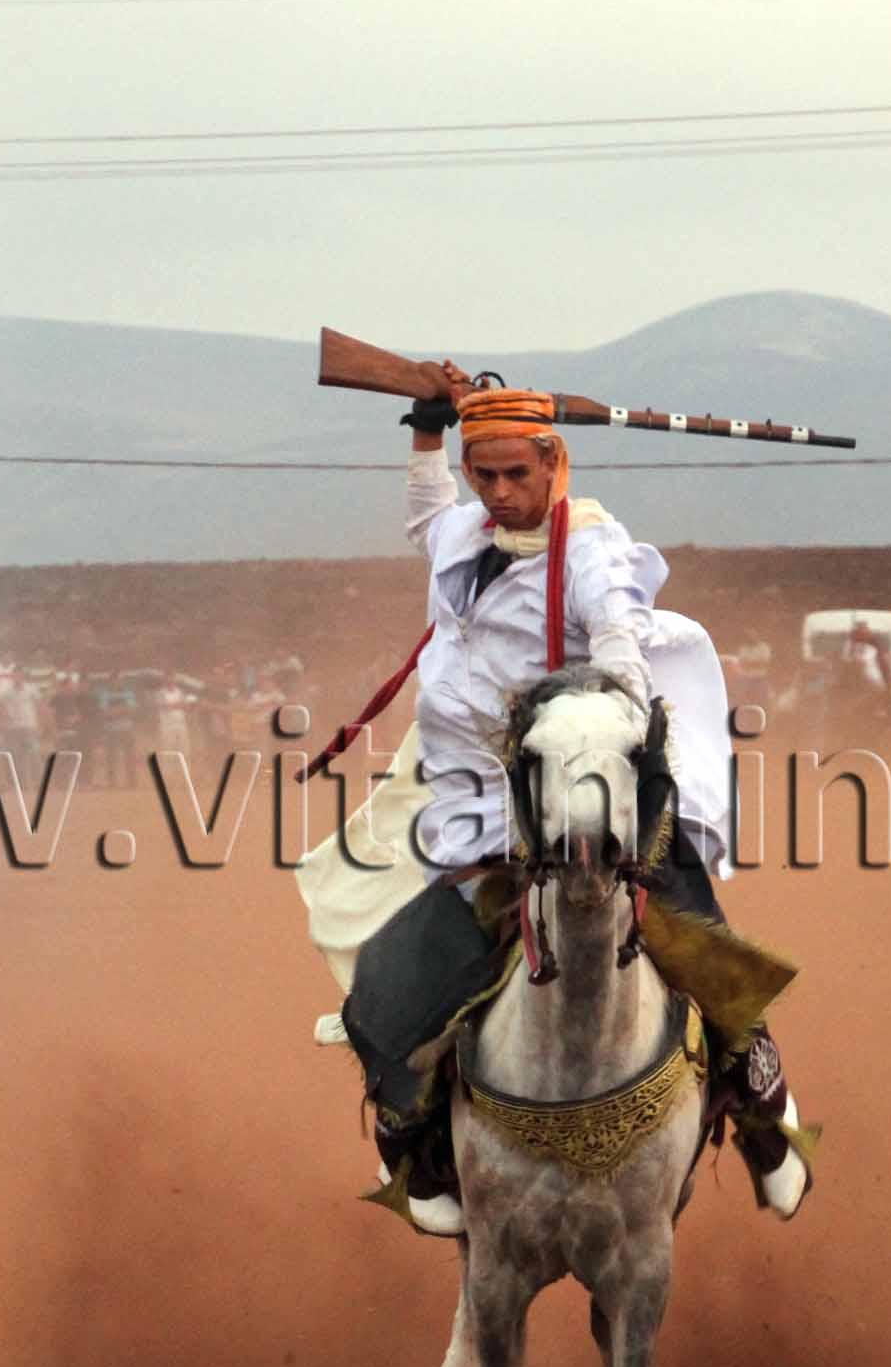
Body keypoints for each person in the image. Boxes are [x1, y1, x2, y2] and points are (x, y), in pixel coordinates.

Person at [323, 369, 809, 1237]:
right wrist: (428, 434)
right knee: (387, 991)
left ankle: (766, 1108)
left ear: (554, 463)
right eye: (487, 475)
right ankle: (421, 1147)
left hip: (588, 794)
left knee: (696, 942)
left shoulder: (590, 551)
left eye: (518, 474)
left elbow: (621, 644)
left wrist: (596, 710)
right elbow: (423, 518)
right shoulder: (462, 532)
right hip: (472, 811)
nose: (503, 493)